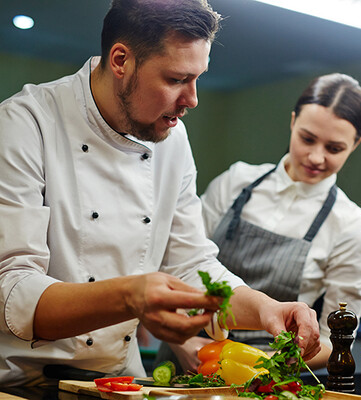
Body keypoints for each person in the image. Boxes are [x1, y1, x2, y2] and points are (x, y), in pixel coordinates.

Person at [0, 0, 320, 387]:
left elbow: (192, 266)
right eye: (176, 79)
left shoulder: (172, 139)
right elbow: (11, 288)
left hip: (117, 383)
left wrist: (267, 308)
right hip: (19, 383)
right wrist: (130, 296)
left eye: (198, 78)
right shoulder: (24, 124)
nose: (193, 99)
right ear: (121, 60)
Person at [157, 73, 361, 372]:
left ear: (356, 144)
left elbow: (336, 340)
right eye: (307, 138)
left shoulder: (349, 227)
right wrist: (180, 343)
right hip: (183, 354)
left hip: (265, 375)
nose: (316, 157)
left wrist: (265, 365)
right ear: (293, 121)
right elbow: (175, 263)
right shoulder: (235, 183)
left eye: (334, 148)